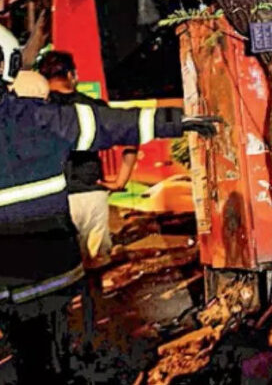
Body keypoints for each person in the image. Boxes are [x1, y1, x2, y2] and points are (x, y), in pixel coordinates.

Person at [0, 26, 218, 381]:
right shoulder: (39, 117)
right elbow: (113, 124)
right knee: (49, 359)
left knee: (26, 356)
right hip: (48, 273)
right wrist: (178, 121)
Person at [37, 50, 137, 266]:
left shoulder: (34, 111)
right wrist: (120, 181)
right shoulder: (95, 107)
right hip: (91, 195)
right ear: (71, 75)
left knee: (62, 267)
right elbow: (132, 137)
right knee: (97, 264)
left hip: (54, 197)